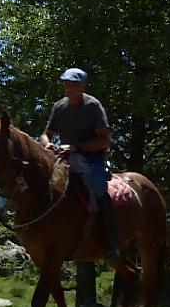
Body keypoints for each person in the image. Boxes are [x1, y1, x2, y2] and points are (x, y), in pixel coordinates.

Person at [39, 67, 120, 260]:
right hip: (64, 157)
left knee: (99, 188)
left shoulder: (93, 106)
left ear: (83, 86)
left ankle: (111, 242)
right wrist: (48, 144)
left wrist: (76, 147)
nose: (69, 88)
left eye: (74, 84)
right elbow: (46, 133)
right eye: (67, 84)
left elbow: (104, 141)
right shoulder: (60, 106)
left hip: (92, 159)